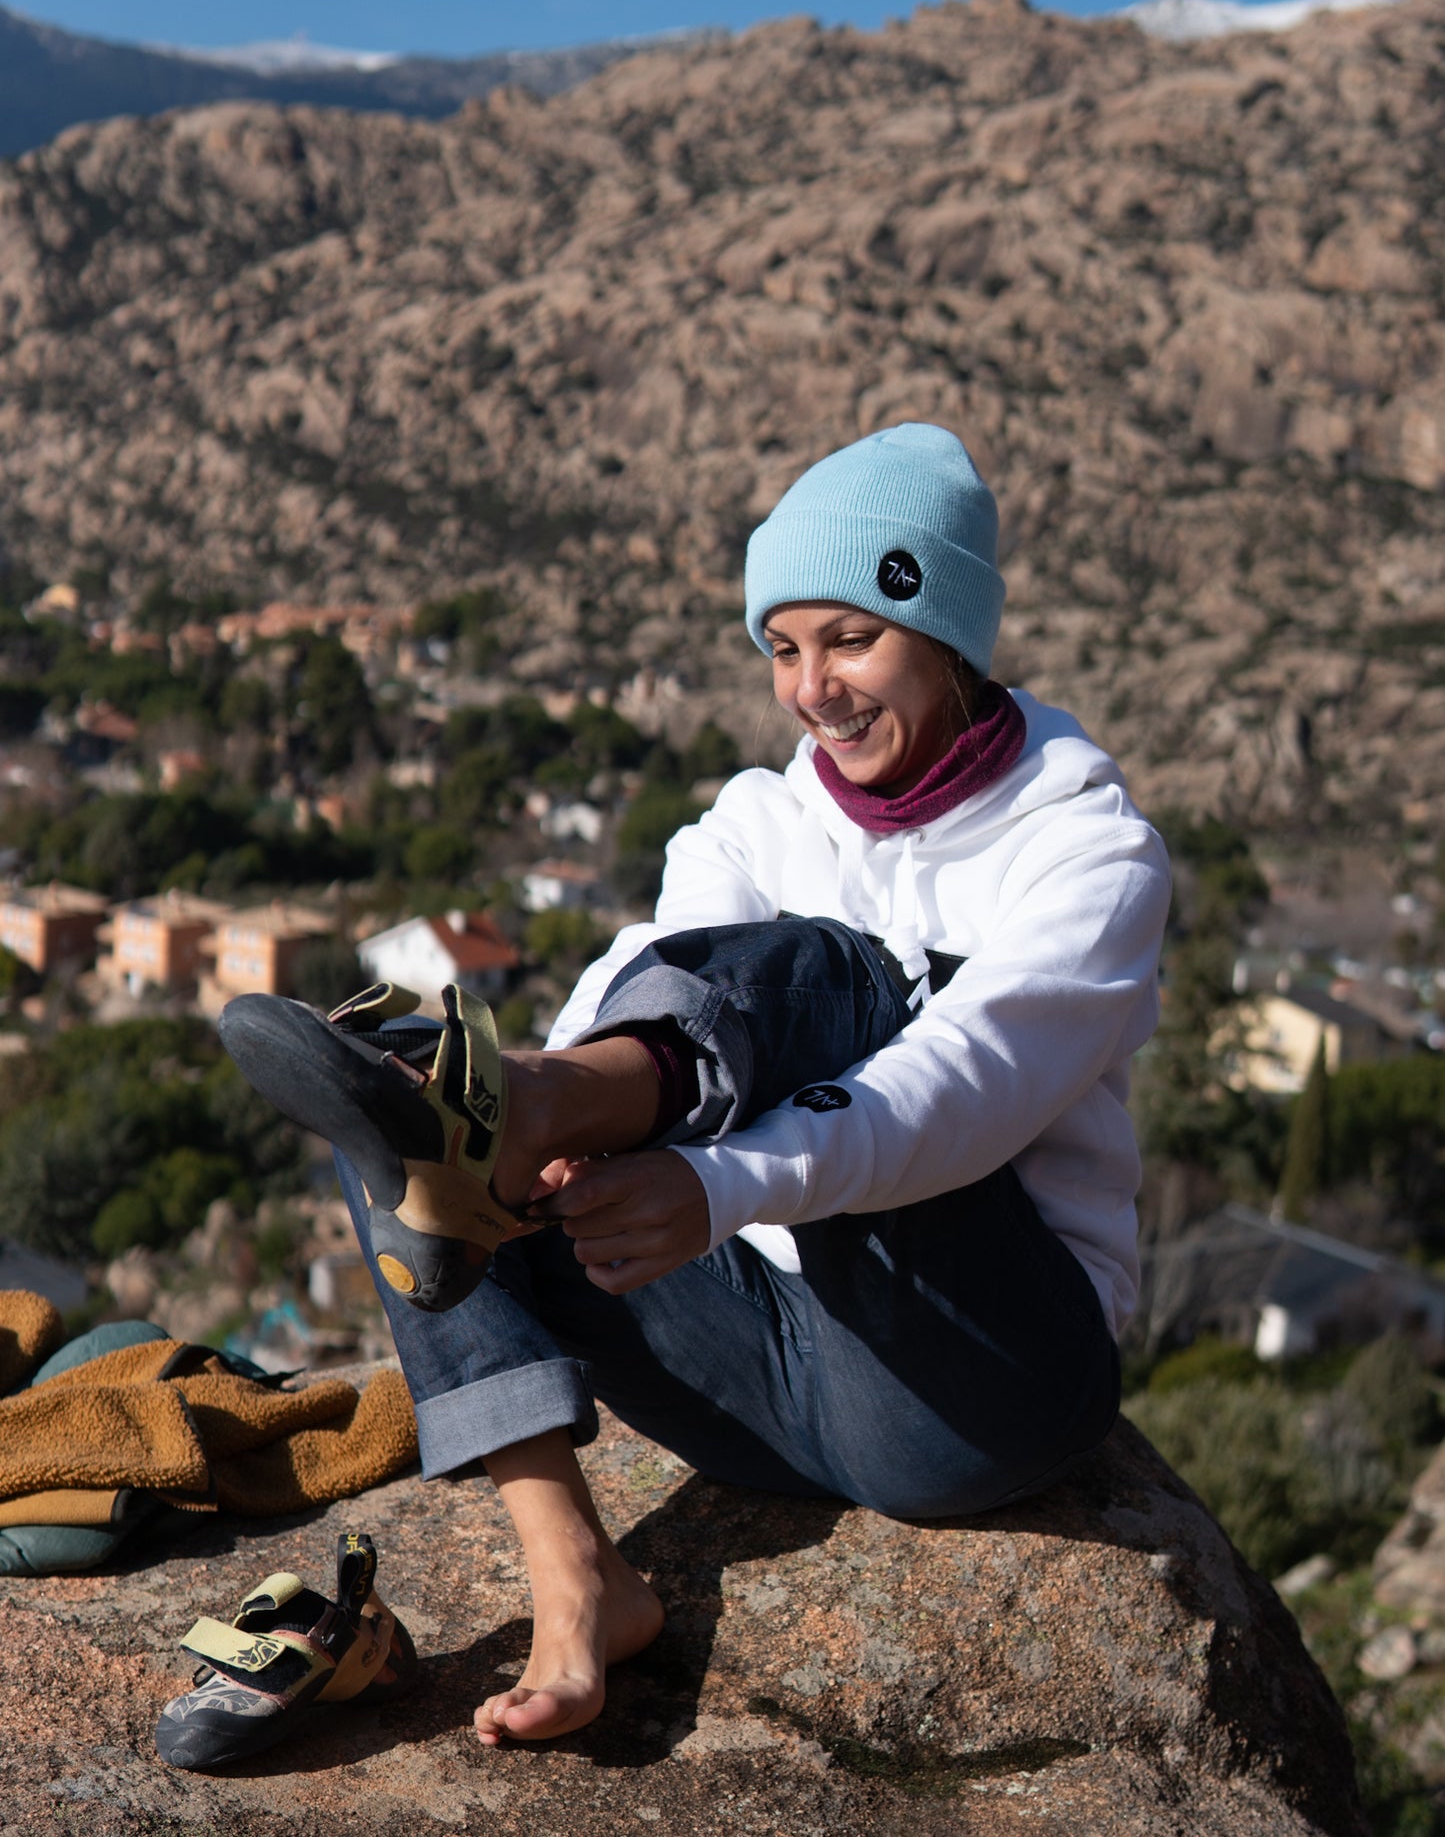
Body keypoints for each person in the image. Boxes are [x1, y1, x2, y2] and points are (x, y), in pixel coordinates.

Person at [244, 422, 1172, 1749]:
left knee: (846, 981)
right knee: (405, 1105)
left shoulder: (1090, 855)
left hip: (973, 1390)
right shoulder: (760, 818)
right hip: (747, 1375)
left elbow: (952, 1095)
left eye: (850, 639)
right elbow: (645, 970)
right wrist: (552, 1124)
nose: (812, 690)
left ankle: (528, 1112)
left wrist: (712, 1181)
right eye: (782, 649)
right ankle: (578, 1578)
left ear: (953, 633)